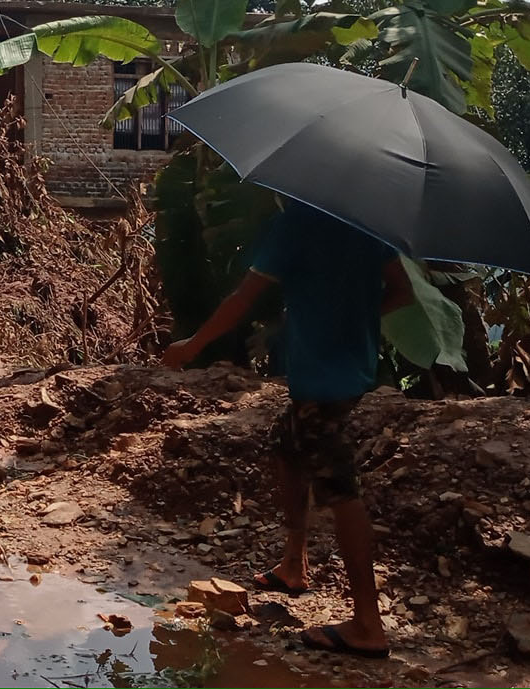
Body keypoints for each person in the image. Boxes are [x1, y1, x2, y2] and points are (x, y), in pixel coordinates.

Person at [161, 198, 412, 660]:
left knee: (341, 489)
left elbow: (242, 299)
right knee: (285, 445)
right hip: (352, 374)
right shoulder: (368, 222)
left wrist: (193, 344)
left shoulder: (295, 223)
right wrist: (354, 317)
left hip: (321, 382)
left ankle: (367, 624)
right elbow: (403, 292)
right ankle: (293, 563)